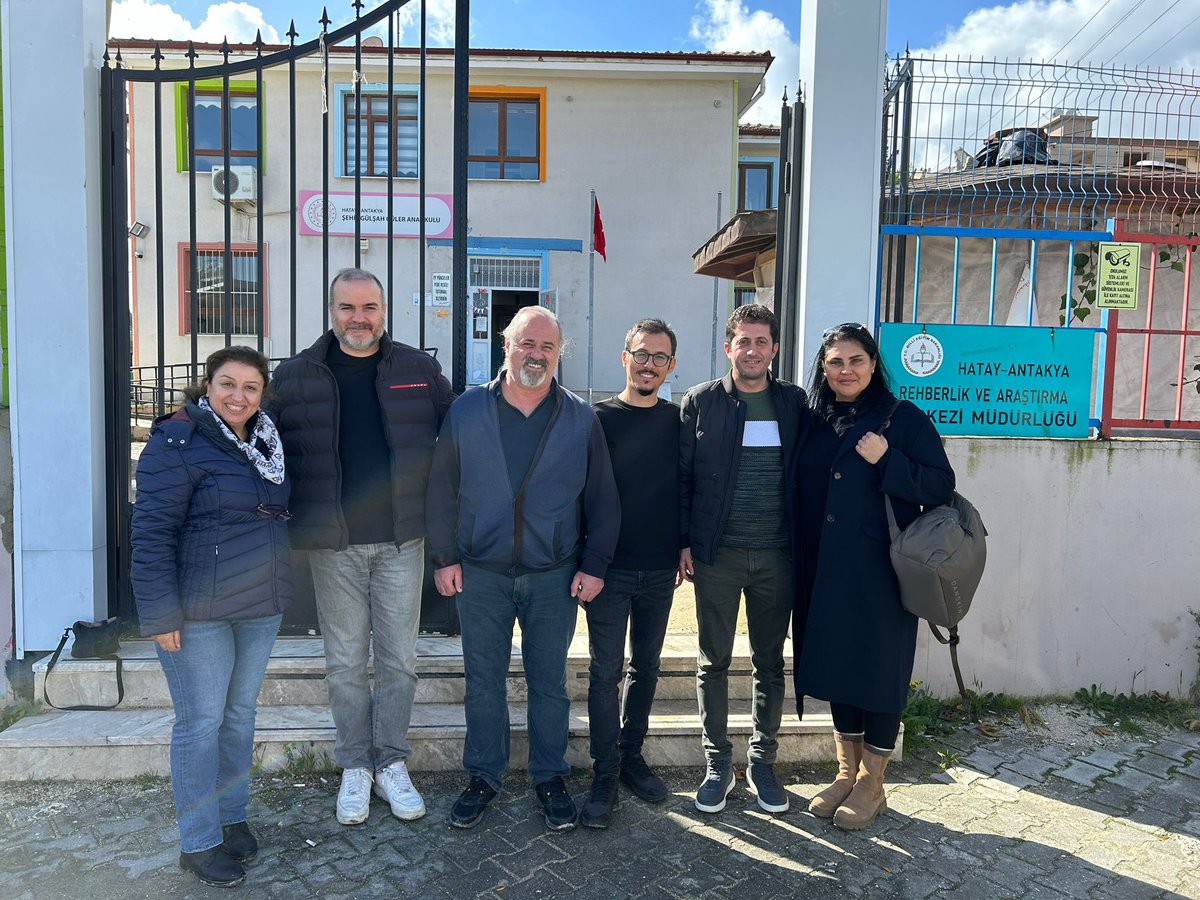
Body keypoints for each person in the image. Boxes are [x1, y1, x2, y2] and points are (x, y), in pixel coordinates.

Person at [426, 305, 620, 832]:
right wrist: (444, 557)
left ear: (558, 354)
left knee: (549, 683)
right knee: (483, 680)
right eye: (526, 343)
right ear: (505, 345)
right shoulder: (466, 410)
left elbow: (603, 497)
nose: (536, 354)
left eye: (547, 347)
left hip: (553, 574)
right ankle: (483, 776)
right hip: (480, 573)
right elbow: (441, 488)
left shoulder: (581, 418)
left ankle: (549, 777)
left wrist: (595, 564)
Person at [271, 268, 453, 826]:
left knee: (399, 661)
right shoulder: (297, 374)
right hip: (333, 547)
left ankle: (392, 763)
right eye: (348, 307)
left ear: (384, 310)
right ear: (331, 311)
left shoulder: (418, 370)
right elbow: (260, 444)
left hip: (402, 541)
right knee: (345, 663)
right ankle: (355, 764)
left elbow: (459, 437)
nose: (359, 318)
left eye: (369, 307)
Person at [131, 346, 291, 888]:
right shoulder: (177, 442)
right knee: (200, 723)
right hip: (198, 613)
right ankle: (197, 842)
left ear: (262, 392)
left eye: (250, 386)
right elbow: (150, 533)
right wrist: (159, 614)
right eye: (227, 384)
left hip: (258, 605)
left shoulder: (267, 440)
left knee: (240, 715)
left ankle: (230, 815)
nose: (238, 396)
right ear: (206, 385)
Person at [792, 323, 955, 830]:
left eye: (856, 360)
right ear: (823, 368)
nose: (846, 371)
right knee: (841, 666)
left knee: (880, 670)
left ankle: (873, 784)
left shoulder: (901, 419)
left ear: (873, 365)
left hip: (882, 570)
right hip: (826, 566)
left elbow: (941, 486)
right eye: (836, 362)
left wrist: (889, 460)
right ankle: (846, 772)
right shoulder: (815, 418)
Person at [679, 304, 808, 815]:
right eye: (742, 341)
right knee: (712, 660)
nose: (751, 350)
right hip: (718, 556)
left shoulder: (795, 403)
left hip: (779, 556)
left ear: (774, 349)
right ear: (728, 347)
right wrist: (684, 542)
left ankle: (763, 761)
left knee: (770, 662)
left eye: (761, 341)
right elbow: (683, 480)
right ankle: (717, 762)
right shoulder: (702, 403)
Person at [581, 318, 682, 828]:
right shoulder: (596, 419)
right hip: (609, 572)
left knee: (647, 667)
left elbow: (685, 488)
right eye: (641, 354)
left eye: (660, 357)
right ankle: (604, 770)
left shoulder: (678, 421)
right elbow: (583, 495)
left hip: (661, 570)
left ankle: (631, 756)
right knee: (605, 673)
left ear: (671, 366)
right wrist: (586, 562)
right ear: (625, 357)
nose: (649, 364)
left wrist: (684, 542)